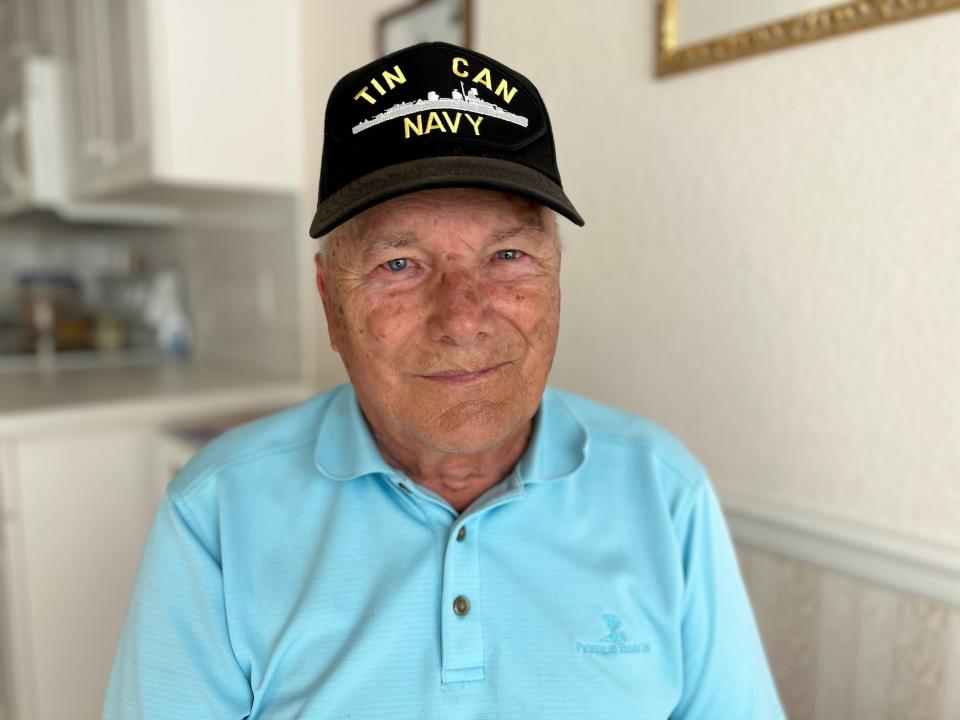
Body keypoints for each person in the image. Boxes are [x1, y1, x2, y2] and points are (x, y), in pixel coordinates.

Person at [104, 42, 784, 719]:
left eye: (509, 255)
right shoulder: (217, 513)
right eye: (400, 264)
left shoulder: (664, 493)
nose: (462, 318)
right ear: (330, 304)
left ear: (556, 280)